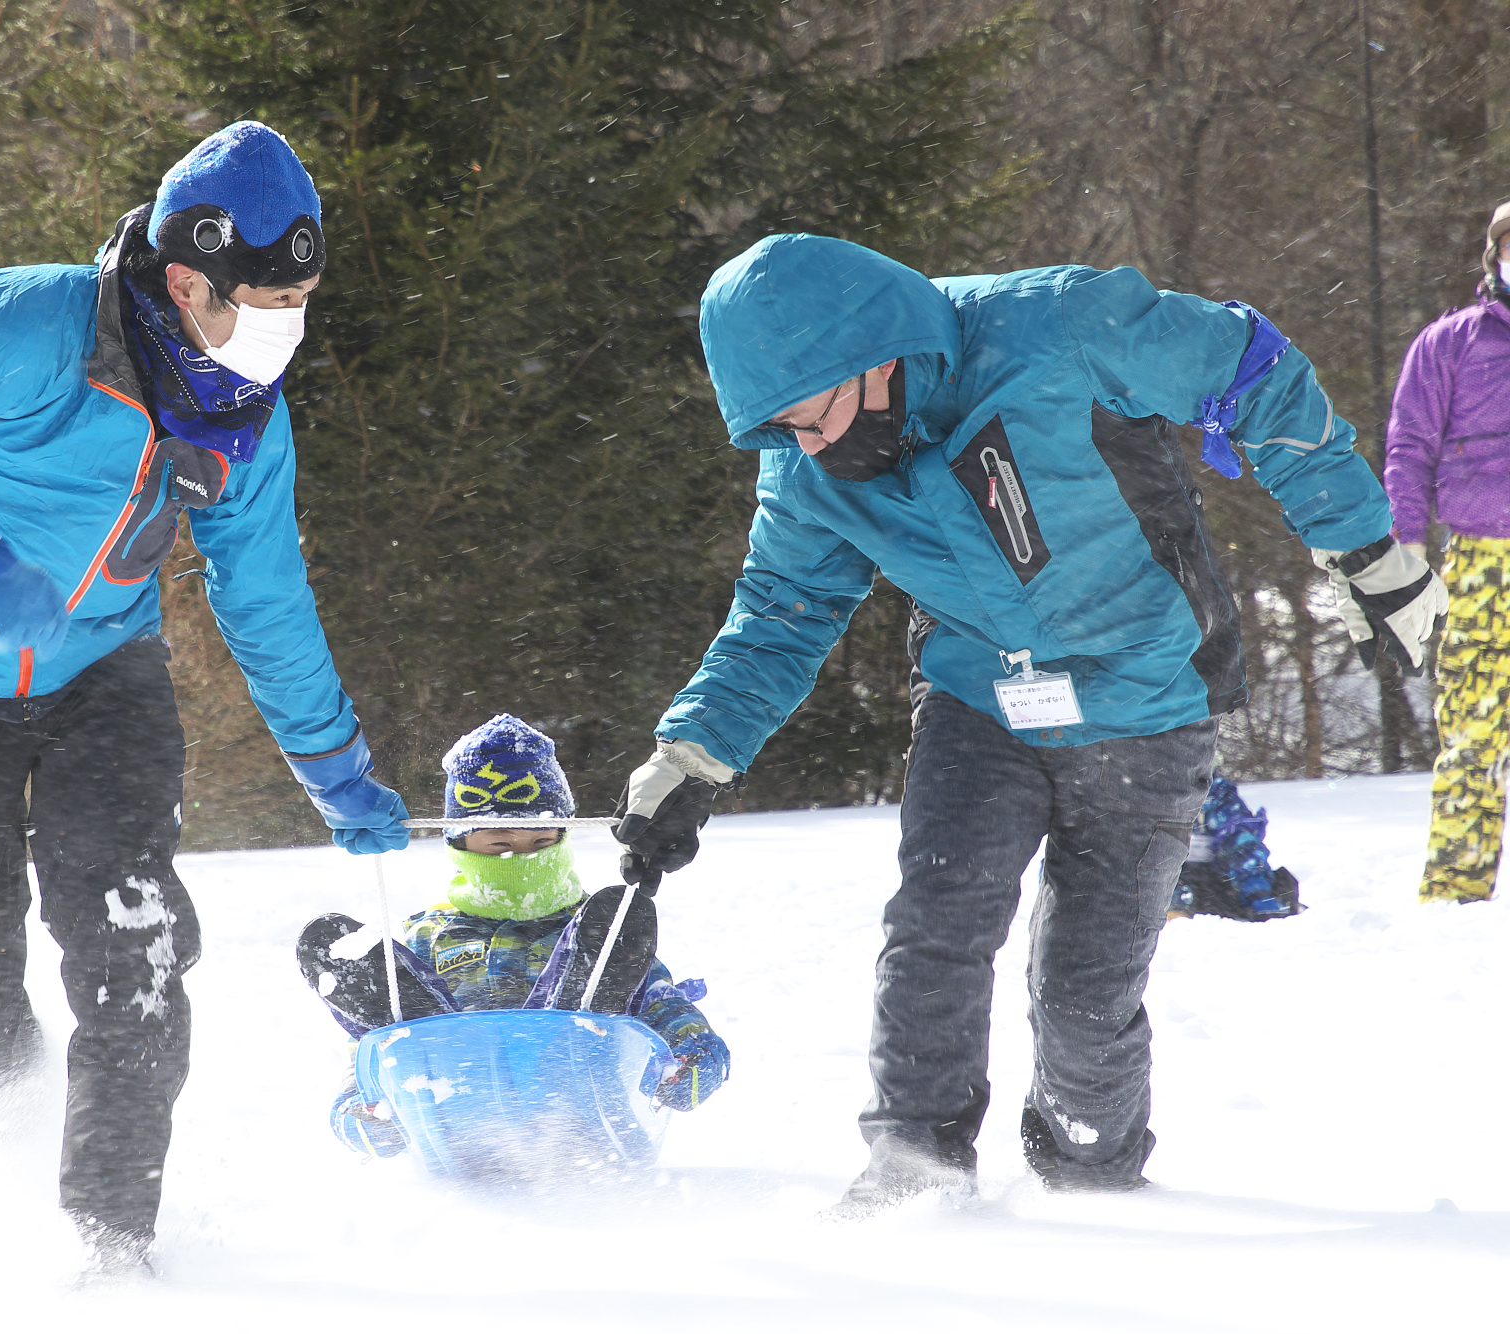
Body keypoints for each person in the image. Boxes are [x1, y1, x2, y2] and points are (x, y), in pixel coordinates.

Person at [612, 234, 1447, 1215]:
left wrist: (1358, 547)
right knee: (934, 925)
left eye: (814, 414)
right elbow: (781, 612)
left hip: (1145, 697)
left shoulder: (1056, 326)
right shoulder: (807, 469)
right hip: (980, 697)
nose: (810, 447)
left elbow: (1249, 364)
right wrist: (692, 755)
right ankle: (912, 1166)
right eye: (783, 430)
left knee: (1084, 986)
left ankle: (1091, 1178)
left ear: (872, 353)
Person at [0, 122, 410, 1272]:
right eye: (267, 304)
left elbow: (263, 594)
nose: (287, 331)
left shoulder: (245, 415)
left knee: (134, 951)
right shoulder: (14, 323)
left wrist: (332, 760)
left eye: (301, 303)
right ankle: (16, 1120)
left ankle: (114, 1244)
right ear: (186, 279)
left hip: (106, 677)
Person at [295, 715, 729, 1158]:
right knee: (401, 1010)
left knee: (609, 948)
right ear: (460, 844)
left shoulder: (605, 932)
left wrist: (694, 1052)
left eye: (540, 843)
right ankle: (427, 1086)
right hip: (460, 1132)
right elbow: (371, 1044)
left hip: (588, 1135)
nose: (520, 857)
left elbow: (660, 1001)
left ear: (562, 837)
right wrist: (358, 1105)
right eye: (500, 845)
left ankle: (574, 1024)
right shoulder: (430, 934)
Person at [1384, 199, 1510, 905]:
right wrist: (1406, 543)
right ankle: (1458, 894)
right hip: (1485, 560)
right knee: (1474, 729)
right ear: (1494, 257)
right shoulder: (1450, 343)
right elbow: (1409, 446)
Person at [1166, 773, 1302, 921]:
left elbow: (1240, 841)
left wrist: (1257, 890)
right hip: (1163, 880)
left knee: (1282, 884)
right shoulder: (1151, 791)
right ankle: (1173, 913)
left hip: (1215, 883)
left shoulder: (1217, 794)